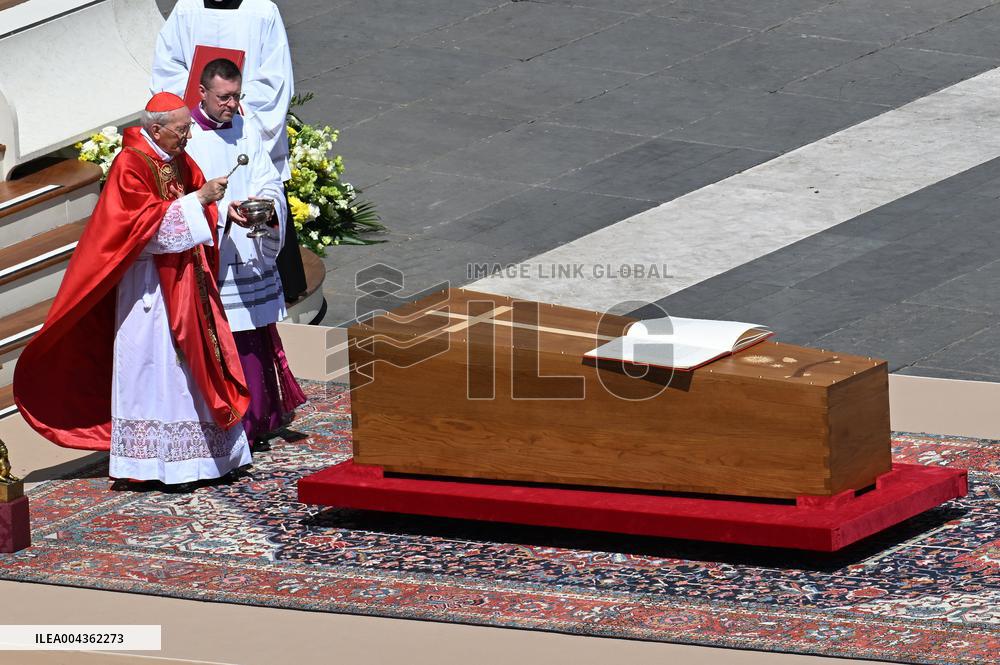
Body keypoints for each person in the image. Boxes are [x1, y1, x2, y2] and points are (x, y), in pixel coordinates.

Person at [13, 92, 251, 491]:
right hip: (148, 290)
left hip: (183, 280)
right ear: (156, 129)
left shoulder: (172, 156)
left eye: (188, 127)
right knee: (155, 366)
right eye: (182, 129)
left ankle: (205, 459)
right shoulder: (131, 164)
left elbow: (195, 192)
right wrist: (198, 202)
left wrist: (217, 207)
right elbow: (143, 230)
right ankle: (158, 463)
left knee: (188, 366)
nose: (189, 136)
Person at [150, 0, 308, 302]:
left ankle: (274, 288)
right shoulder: (186, 9)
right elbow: (166, 66)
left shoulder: (262, 11)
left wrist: (236, 109)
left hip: (245, 124)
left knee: (259, 190)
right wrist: (199, 102)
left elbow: (276, 77)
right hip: (198, 130)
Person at [185, 58, 306, 447]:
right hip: (215, 252)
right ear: (202, 93)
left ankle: (259, 416)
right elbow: (184, 198)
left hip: (250, 248)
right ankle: (231, 425)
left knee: (254, 338)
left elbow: (268, 176)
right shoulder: (188, 137)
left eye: (236, 95)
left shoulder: (245, 126)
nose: (230, 104)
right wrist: (222, 214)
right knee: (225, 340)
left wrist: (267, 205)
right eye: (223, 97)